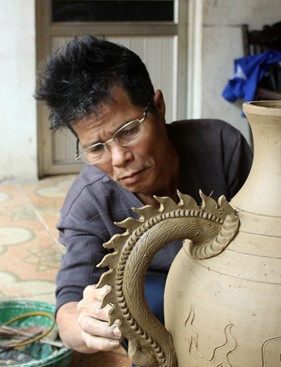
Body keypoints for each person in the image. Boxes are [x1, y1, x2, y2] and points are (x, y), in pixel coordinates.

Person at [34, 35, 253, 356]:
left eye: (129, 131)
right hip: (157, 295)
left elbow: (269, 231)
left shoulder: (221, 147)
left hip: (236, 281)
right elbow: (69, 302)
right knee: (141, 305)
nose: (119, 158)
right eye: (96, 148)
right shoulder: (89, 201)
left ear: (159, 108)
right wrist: (80, 321)